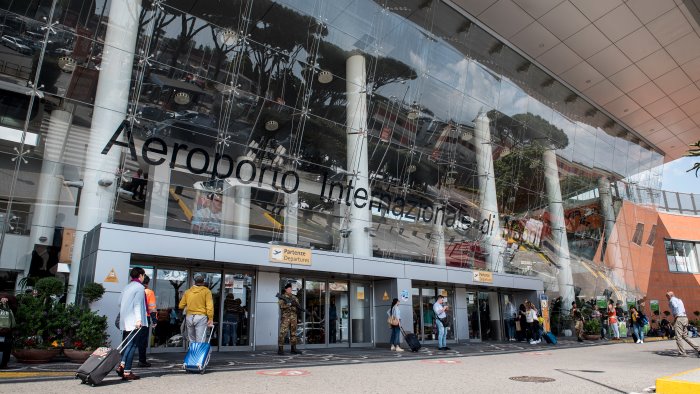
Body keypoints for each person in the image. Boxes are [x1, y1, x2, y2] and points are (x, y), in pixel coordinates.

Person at [116, 267, 148, 380]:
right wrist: (139, 320)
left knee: (128, 345)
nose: (144, 277)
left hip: (125, 320)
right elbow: (137, 304)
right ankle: (127, 372)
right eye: (143, 275)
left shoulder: (127, 287)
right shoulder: (139, 287)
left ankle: (122, 365)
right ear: (140, 275)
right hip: (135, 321)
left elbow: (119, 302)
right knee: (132, 345)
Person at [178, 274, 214, 345]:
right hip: (201, 317)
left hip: (189, 317)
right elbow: (209, 306)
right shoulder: (207, 291)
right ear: (203, 282)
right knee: (200, 339)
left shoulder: (188, 292)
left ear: (194, 282)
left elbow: (181, 306)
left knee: (191, 340)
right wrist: (210, 318)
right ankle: (199, 355)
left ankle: (192, 355)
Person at [666, 291, 700, 357]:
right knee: (685, 335)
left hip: (679, 318)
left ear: (670, 296)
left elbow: (675, 308)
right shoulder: (679, 300)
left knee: (678, 336)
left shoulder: (672, 301)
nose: (667, 297)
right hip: (685, 318)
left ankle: (682, 352)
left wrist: (675, 317)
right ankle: (698, 348)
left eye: (667, 296)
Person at [137, 275, 157, 367]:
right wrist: (154, 320)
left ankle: (124, 361)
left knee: (132, 340)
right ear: (148, 283)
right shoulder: (149, 292)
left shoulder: (136, 291)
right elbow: (152, 307)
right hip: (145, 318)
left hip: (133, 318)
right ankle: (142, 360)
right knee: (143, 340)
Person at [278, 283, 301, 355]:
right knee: (283, 333)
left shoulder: (294, 297)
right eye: (289, 289)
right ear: (285, 289)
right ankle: (280, 349)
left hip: (293, 317)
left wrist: (296, 306)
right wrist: (290, 304)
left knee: (293, 333)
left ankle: (293, 348)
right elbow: (281, 306)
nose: (290, 290)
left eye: (291, 289)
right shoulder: (282, 297)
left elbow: (298, 307)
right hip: (286, 317)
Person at [0, 292, 18, 369]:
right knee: (6, 347)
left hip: (6, 331)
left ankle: (4, 363)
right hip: (7, 331)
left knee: (6, 347)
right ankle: (4, 363)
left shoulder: (11, 305)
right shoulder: (11, 304)